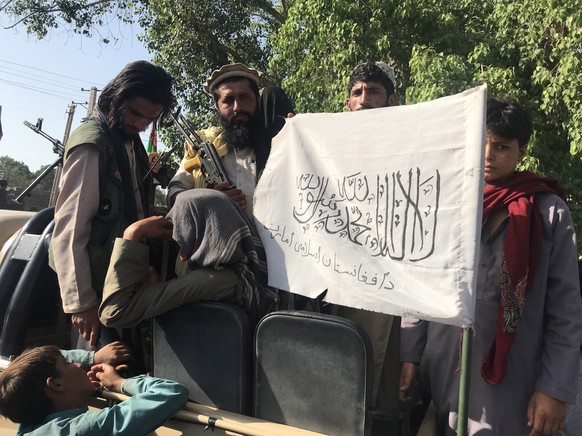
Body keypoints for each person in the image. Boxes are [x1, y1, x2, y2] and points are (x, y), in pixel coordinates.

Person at [399, 98, 582, 435]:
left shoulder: (548, 212)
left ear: (521, 150)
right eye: (481, 143)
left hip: (515, 375)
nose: (487, 155)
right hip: (444, 366)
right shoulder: (446, 200)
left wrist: (555, 388)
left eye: (501, 146)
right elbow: (419, 279)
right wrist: (410, 356)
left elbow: (566, 311)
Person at [50, 61, 175, 348]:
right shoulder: (93, 144)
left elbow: (130, 212)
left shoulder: (129, 141)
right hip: (93, 291)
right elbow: (70, 230)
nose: (141, 124)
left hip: (121, 281)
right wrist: (81, 302)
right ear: (115, 97)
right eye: (135, 113)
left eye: (150, 118)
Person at [325, 61, 401, 412]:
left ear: (392, 101)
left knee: (381, 385)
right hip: (333, 283)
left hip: (390, 286)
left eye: (373, 92)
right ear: (346, 102)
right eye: (357, 92)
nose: (364, 99)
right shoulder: (327, 149)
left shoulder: (408, 147)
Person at [99, 188, 272, 329]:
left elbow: (114, 313)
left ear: (206, 232)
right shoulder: (238, 274)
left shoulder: (211, 280)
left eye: (185, 235)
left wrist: (132, 233)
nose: (180, 252)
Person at [0, 342, 187, 435]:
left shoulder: (29, 427)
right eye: (68, 363)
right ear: (56, 384)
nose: (79, 365)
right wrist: (119, 383)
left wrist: (94, 358)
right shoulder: (88, 428)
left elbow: (41, 360)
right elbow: (170, 392)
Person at [167, 63, 271, 214]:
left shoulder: (279, 142)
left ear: (257, 99)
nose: (237, 107)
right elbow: (174, 195)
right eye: (228, 100)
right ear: (217, 106)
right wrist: (209, 200)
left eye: (244, 97)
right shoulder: (200, 146)